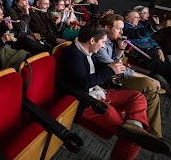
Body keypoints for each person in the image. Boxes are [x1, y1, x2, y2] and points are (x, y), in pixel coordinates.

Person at [60, 23, 171, 160]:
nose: (102, 46)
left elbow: (98, 69)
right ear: (92, 40)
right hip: (85, 101)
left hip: (96, 92)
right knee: (132, 138)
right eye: (103, 42)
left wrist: (112, 66)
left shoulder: (87, 51)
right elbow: (82, 84)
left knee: (137, 97)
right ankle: (134, 132)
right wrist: (110, 70)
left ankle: (134, 126)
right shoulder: (73, 54)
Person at [96, 14, 164, 137]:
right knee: (149, 84)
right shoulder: (100, 43)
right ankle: (155, 86)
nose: (122, 32)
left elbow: (117, 60)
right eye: (119, 29)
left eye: (122, 29)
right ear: (106, 28)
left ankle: (155, 135)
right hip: (111, 81)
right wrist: (147, 77)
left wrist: (121, 49)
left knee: (152, 96)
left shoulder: (112, 41)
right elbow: (116, 68)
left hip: (118, 76)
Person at [123, 10, 171, 85]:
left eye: (139, 17)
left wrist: (158, 49)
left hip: (152, 51)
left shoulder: (137, 25)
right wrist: (160, 26)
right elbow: (137, 34)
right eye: (136, 17)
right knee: (168, 71)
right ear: (127, 18)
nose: (138, 19)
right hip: (145, 55)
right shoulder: (124, 27)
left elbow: (149, 39)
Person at [0, 3, 30, 69]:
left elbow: (14, 38)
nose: (2, 16)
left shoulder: (1, 24)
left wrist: (10, 28)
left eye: (2, 13)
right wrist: (2, 40)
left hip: (10, 49)